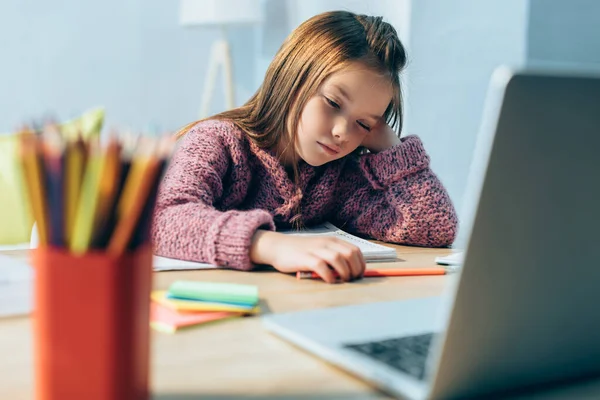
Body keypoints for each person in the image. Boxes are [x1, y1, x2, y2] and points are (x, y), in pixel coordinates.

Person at [152, 10, 458, 283]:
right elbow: (163, 219)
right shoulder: (217, 141)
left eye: (363, 124)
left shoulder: (336, 177)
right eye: (333, 102)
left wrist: (393, 150)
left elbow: (434, 227)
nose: (342, 132)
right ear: (292, 76)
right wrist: (270, 246)